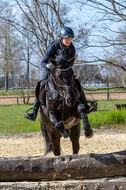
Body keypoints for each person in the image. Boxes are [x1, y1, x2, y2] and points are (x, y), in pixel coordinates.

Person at [24, 26, 93, 124]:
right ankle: (34, 112)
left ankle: (85, 105)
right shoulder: (54, 46)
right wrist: (48, 66)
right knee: (41, 85)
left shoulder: (72, 48)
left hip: (64, 71)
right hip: (50, 69)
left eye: (70, 38)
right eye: (66, 38)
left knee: (76, 82)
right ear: (61, 38)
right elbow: (43, 62)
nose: (68, 40)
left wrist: (66, 69)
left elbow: (71, 63)